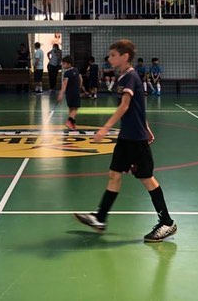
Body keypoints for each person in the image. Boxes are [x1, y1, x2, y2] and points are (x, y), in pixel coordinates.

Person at [74, 39, 177, 243]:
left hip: (135, 140)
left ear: (124, 57)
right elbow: (140, 105)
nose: (110, 58)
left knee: (147, 179)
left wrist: (105, 128)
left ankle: (167, 222)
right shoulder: (124, 77)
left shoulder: (129, 77)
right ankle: (100, 218)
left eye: (113, 55)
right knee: (114, 174)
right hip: (126, 137)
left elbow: (125, 106)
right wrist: (147, 126)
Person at [57, 56, 81, 130]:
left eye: (64, 64)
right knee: (75, 108)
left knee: (71, 108)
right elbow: (81, 79)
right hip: (75, 92)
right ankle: (69, 121)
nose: (63, 65)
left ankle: (72, 124)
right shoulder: (76, 70)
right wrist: (79, 87)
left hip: (69, 93)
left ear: (69, 64)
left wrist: (61, 93)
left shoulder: (67, 73)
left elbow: (64, 84)